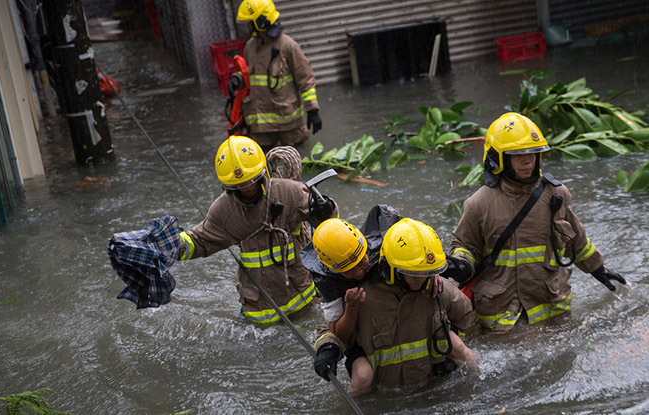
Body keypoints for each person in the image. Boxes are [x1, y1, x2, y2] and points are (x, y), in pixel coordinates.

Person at [443, 112, 626, 333]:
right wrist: (460, 263)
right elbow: (465, 245)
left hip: (552, 306)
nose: (528, 160)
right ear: (498, 158)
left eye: (534, 153)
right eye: (519, 155)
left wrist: (598, 268)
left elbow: (576, 240)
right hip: (502, 316)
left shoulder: (556, 195)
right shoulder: (479, 203)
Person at [177, 135, 336, 324]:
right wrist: (169, 246)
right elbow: (199, 241)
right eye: (239, 185)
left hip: (306, 301)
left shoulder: (290, 193)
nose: (247, 188)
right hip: (259, 312)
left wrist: (326, 210)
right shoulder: (224, 211)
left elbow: (331, 228)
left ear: (263, 172)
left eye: (251, 180)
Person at [313, 218, 477, 393]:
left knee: (461, 349)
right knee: (362, 377)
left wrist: (451, 343)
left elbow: (467, 317)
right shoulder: (360, 295)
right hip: (383, 388)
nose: (420, 279)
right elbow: (329, 330)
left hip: (431, 379)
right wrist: (327, 349)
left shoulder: (437, 288)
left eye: (425, 273)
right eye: (413, 274)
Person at [301, 205, 403, 393]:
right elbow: (338, 334)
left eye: (362, 263)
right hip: (361, 333)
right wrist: (351, 307)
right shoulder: (327, 279)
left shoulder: (382, 241)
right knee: (363, 377)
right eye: (349, 271)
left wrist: (430, 274)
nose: (358, 273)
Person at [228, 0, 321, 151]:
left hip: (288, 125)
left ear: (261, 22)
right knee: (264, 168)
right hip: (261, 128)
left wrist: (313, 110)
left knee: (297, 164)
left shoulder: (288, 46)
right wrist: (237, 79)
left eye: (250, 22)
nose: (247, 26)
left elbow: (306, 79)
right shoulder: (250, 47)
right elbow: (250, 75)